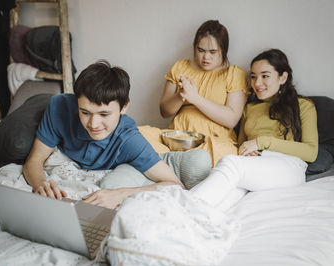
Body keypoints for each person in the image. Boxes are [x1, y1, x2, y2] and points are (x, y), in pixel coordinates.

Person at [23, 60, 188, 209]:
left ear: (124, 107)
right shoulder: (59, 107)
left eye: (104, 114)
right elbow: (34, 160)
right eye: (85, 112)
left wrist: (121, 194)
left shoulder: (129, 140)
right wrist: (41, 184)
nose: (93, 124)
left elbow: (175, 185)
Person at [190, 48, 318, 211]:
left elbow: (311, 152)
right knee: (228, 196)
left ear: (283, 77)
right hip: (254, 166)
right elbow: (241, 145)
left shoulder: (304, 106)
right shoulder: (249, 108)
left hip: (289, 166)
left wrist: (261, 143)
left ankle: (181, 209)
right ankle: (181, 222)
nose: (257, 83)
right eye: (253, 77)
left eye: (265, 76)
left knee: (230, 164)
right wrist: (246, 150)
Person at [139, 20, 249, 166]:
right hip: (176, 138)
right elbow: (165, 111)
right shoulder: (180, 67)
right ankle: (175, 163)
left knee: (213, 156)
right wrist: (181, 95)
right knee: (136, 134)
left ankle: (171, 164)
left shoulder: (234, 74)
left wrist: (196, 98)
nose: (206, 57)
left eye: (213, 52)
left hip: (213, 142)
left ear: (224, 50)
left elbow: (231, 119)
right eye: (200, 50)